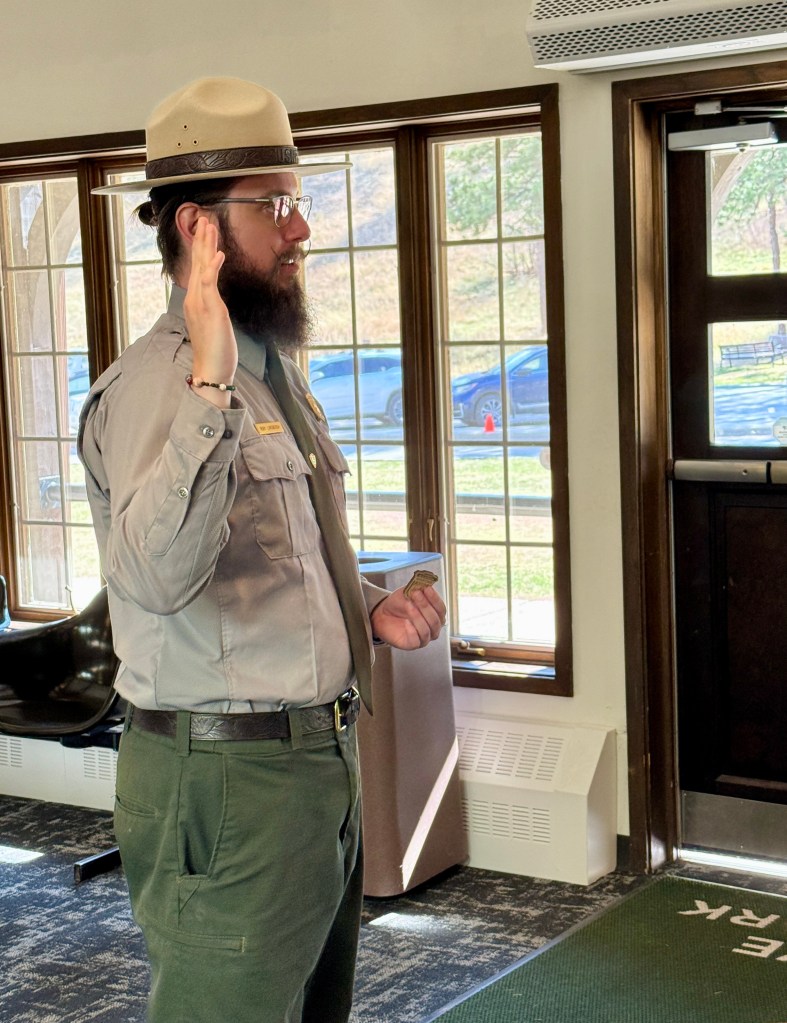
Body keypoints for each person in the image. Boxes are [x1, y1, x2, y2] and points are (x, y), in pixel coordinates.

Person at [78, 76, 446, 1023]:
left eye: (298, 202)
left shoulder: (266, 367)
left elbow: (268, 547)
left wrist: (364, 598)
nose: (300, 230)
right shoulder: (169, 385)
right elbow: (151, 578)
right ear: (198, 229)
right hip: (228, 776)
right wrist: (208, 383)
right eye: (276, 207)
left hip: (310, 765)